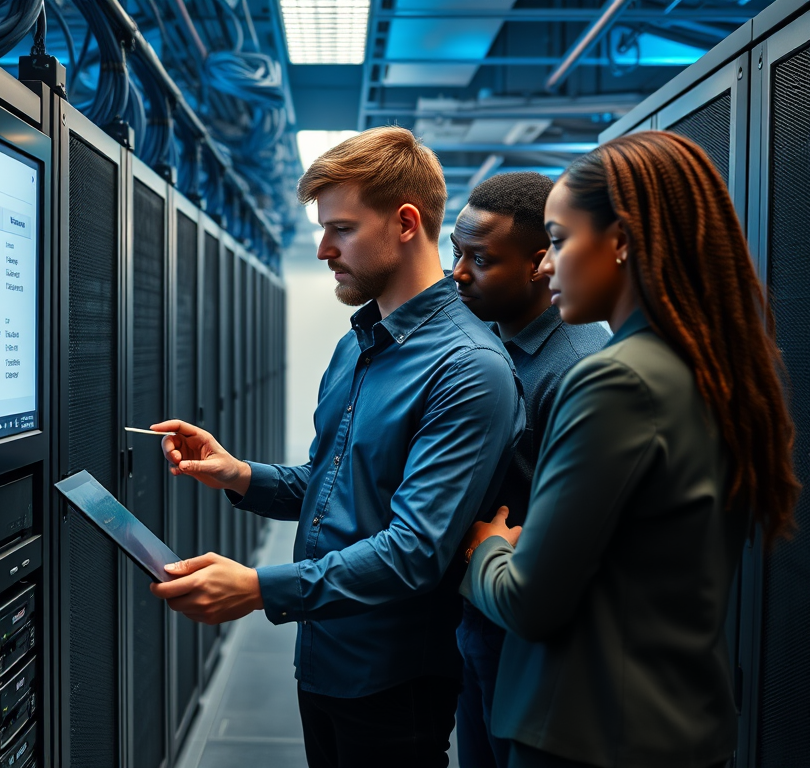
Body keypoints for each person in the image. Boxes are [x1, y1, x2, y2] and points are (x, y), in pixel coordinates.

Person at [148, 125, 525, 768]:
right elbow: (334, 486)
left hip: (392, 679)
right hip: (321, 654)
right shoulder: (358, 343)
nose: (323, 248)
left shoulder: (469, 368)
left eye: (341, 229)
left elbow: (414, 551)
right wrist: (238, 474)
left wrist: (259, 588)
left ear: (406, 223)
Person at [462, 131, 800, 768]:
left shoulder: (615, 380)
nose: (546, 265)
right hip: (675, 728)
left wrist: (485, 552)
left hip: (586, 735)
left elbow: (530, 602)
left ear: (619, 242)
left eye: (559, 242)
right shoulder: (708, 366)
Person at [450, 172, 609, 768]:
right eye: (456, 252)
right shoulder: (484, 342)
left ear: (541, 262)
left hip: (528, 638)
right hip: (476, 616)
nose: (459, 272)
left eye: (481, 259)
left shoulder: (577, 369)